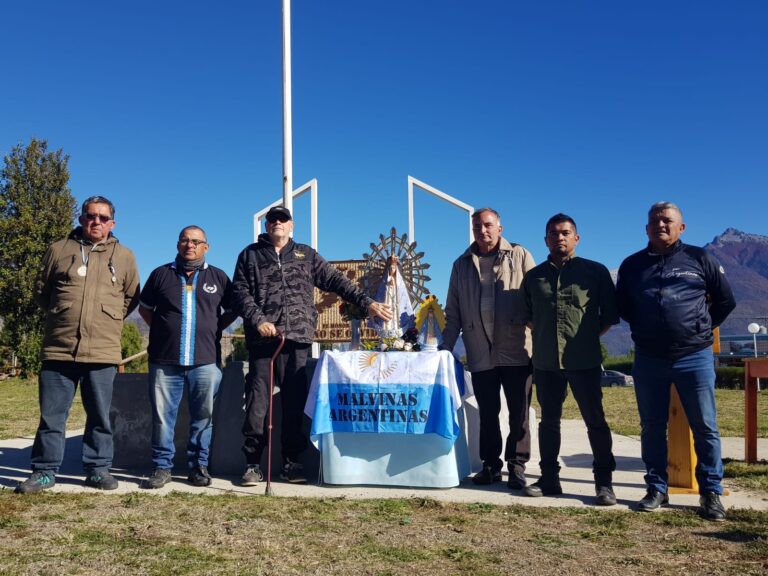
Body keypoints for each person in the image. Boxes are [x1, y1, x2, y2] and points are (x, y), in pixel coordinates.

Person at [232, 206, 393, 485]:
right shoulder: (250, 255)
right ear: (267, 225)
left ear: (291, 225)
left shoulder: (305, 254)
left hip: (297, 339)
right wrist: (259, 320)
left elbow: (336, 280)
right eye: (272, 219)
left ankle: (292, 462)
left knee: (294, 402)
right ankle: (253, 463)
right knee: (258, 402)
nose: (277, 223)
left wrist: (367, 303)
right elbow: (240, 292)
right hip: (263, 341)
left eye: (283, 219)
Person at [617, 201, 736, 521]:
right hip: (649, 358)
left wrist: (699, 328)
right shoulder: (631, 265)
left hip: (694, 356)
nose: (661, 225)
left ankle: (710, 492)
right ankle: (657, 487)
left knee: (705, 426)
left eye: (667, 220)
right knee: (652, 427)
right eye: (655, 220)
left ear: (681, 227)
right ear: (646, 228)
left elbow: (725, 301)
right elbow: (624, 307)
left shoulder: (700, 258)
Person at [15, 196, 140, 494]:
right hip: (59, 348)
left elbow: (131, 297)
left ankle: (98, 469)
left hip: (102, 351)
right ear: (82, 218)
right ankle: (44, 471)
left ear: (112, 223)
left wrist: (107, 318)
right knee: (52, 415)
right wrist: (62, 313)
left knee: (100, 415)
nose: (96, 222)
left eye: (103, 218)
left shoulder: (124, 256)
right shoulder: (59, 249)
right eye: (90, 216)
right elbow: (42, 291)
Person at [522, 214, 619, 505]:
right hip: (546, 362)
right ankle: (549, 479)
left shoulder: (595, 272)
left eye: (565, 233)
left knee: (595, 422)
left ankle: (604, 483)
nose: (559, 238)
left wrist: (584, 338)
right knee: (549, 423)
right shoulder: (534, 277)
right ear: (545, 240)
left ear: (576, 238)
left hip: (584, 360)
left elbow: (608, 317)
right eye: (553, 233)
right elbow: (528, 317)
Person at [441, 207, 535, 490]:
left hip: (517, 349)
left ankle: (517, 466)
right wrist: (445, 347)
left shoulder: (520, 255)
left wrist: (541, 342)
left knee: (519, 412)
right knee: (488, 414)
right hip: (480, 351)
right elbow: (453, 312)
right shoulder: (460, 265)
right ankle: (491, 465)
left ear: (499, 228)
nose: (482, 231)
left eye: (488, 225)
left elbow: (536, 301)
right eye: (477, 227)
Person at [138, 226, 236, 489]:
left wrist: (213, 328)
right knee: (162, 418)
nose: (189, 245)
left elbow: (232, 310)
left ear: (206, 247)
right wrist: (163, 330)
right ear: (177, 244)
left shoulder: (219, 277)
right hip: (164, 361)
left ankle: (198, 466)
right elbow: (145, 309)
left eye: (195, 241)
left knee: (204, 417)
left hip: (205, 361)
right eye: (184, 240)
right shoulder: (160, 274)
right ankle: (162, 467)